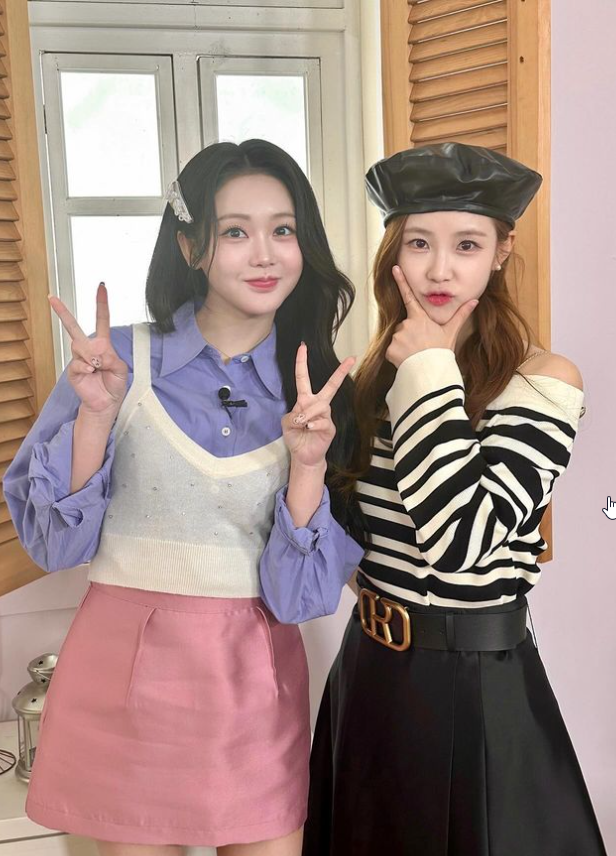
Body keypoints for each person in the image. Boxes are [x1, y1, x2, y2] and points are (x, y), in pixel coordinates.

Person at [3, 139, 364, 856]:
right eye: (235, 231)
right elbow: (56, 547)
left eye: (283, 229)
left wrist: (306, 467)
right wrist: (96, 418)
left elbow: (297, 599)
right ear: (190, 246)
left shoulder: (319, 391)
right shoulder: (114, 363)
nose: (264, 254)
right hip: (121, 685)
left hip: (254, 690)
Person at [261, 142, 606, 856]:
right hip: (368, 673)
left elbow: (459, 544)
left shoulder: (544, 382)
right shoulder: (367, 382)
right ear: (394, 252)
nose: (439, 269)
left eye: (467, 245)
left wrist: (427, 369)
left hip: (475, 686)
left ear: (502, 252)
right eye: (419, 243)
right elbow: (347, 545)